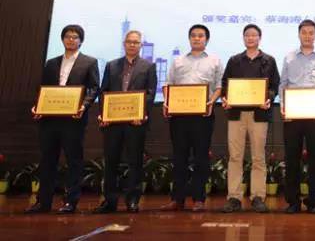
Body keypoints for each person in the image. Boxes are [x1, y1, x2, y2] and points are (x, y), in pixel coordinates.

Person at [26, 24, 99, 214]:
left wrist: (83, 106)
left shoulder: (89, 62)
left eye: (75, 37)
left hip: (73, 120)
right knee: (47, 160)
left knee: (74, 161)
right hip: (50, 120)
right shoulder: (51, 63)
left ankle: (70, 201)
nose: (71, 40)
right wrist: (38, 106)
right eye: (67, 36)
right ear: (62, 39)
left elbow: (93, 88)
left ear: (81, 41)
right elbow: (44, 90)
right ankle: (43, 202)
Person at [92, 30, 157, 213]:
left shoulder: (148, 66)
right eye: (129, 42)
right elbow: (104, 92)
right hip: (112, 123)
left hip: (135, 123)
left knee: (135, 162)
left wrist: (141, 114)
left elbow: (151, 93)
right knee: (111, 162)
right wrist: (104, 115)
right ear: (124, 43)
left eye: (136, 42)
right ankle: (109, 201)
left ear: (141, 45)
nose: (132, 45)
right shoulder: (112, 65)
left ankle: (133, 200)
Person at [161, 24, 221, 212]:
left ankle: (198, 199)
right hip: (179, 116)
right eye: (193, 35)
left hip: (203, 116)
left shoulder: (215, 61)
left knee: (201, 157)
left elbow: (220, 87)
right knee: (179, 157)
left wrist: (211, 102)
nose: (197, 38)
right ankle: (177, 199)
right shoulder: (178, 61)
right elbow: (168, 84)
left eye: (201, 36)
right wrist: (167, 102)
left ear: (206, 39)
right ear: (189, 39)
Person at [221, 24, 280, 213]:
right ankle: (234, 197)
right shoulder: (234, 60)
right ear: (243, 38)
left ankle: (258, 197)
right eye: (247, 35)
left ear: (259, 38)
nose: (250, 38)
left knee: (258, 157)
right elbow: (225, 83)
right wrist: (226, 98)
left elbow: (275, 85)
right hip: (236, 114)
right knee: (235, 156)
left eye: (254, 35)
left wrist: (268, 98)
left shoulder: (269, 60)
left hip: (259, 114)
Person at [279, 19, 315, 213]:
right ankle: (293, 201)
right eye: (304, 32)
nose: (307, 36)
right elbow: (283, 84)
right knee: (292, 159)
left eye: (311, 33)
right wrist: (283, 107)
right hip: (292, 116)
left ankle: (313, 201)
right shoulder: (289, 57)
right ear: (299, 34)